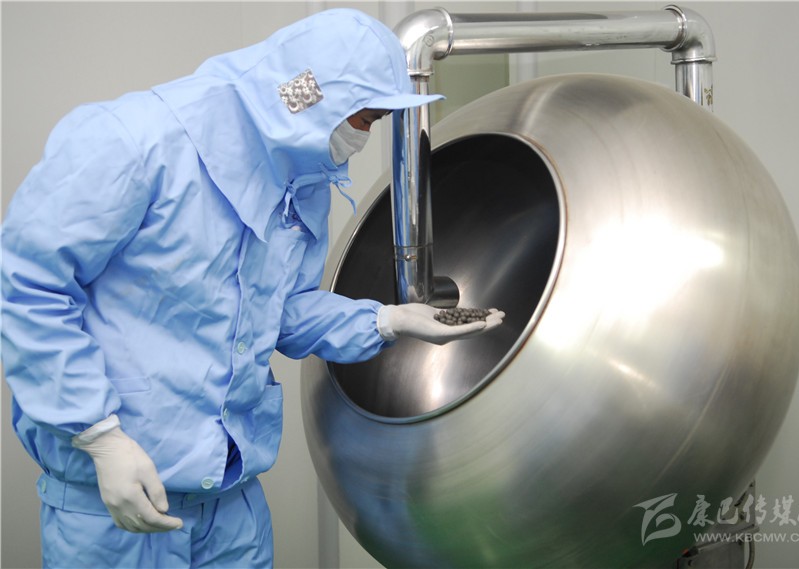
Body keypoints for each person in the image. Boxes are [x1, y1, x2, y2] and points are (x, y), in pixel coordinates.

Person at [0, 8, 503, 568]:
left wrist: (386, 320)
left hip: (232, 503)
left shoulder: (301, 177)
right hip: (113, 504)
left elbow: (278, 310)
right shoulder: (137, 142)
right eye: (364, 118)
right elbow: (28, 287)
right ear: (311, 95)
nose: (364, 137)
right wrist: (98, 435)